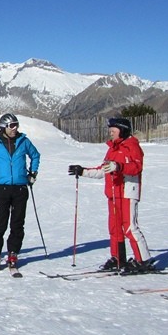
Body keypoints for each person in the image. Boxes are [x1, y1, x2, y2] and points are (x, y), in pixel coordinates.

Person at [68, 117, 152, 273]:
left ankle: (143, 260)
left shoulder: (132, 146)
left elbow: (137, 167)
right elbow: (102, 170)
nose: (110, 133)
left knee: (129, 227)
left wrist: (119, 166)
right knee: (114, 228)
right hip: (113, 193)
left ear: (123, 130)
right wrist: (83, 171)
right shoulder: (112, 148)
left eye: (113, 130)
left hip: (127, 192)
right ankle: (118, 258)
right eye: (110, 130)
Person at [0, 113, 40, 271]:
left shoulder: (23, 141)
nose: (15, 128)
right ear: (4, 127)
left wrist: (32, 174)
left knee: (17, 223)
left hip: (20, 187)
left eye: (16, 125)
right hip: (3, 188)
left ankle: (13, 252)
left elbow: (35, 155)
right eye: (12, 125)